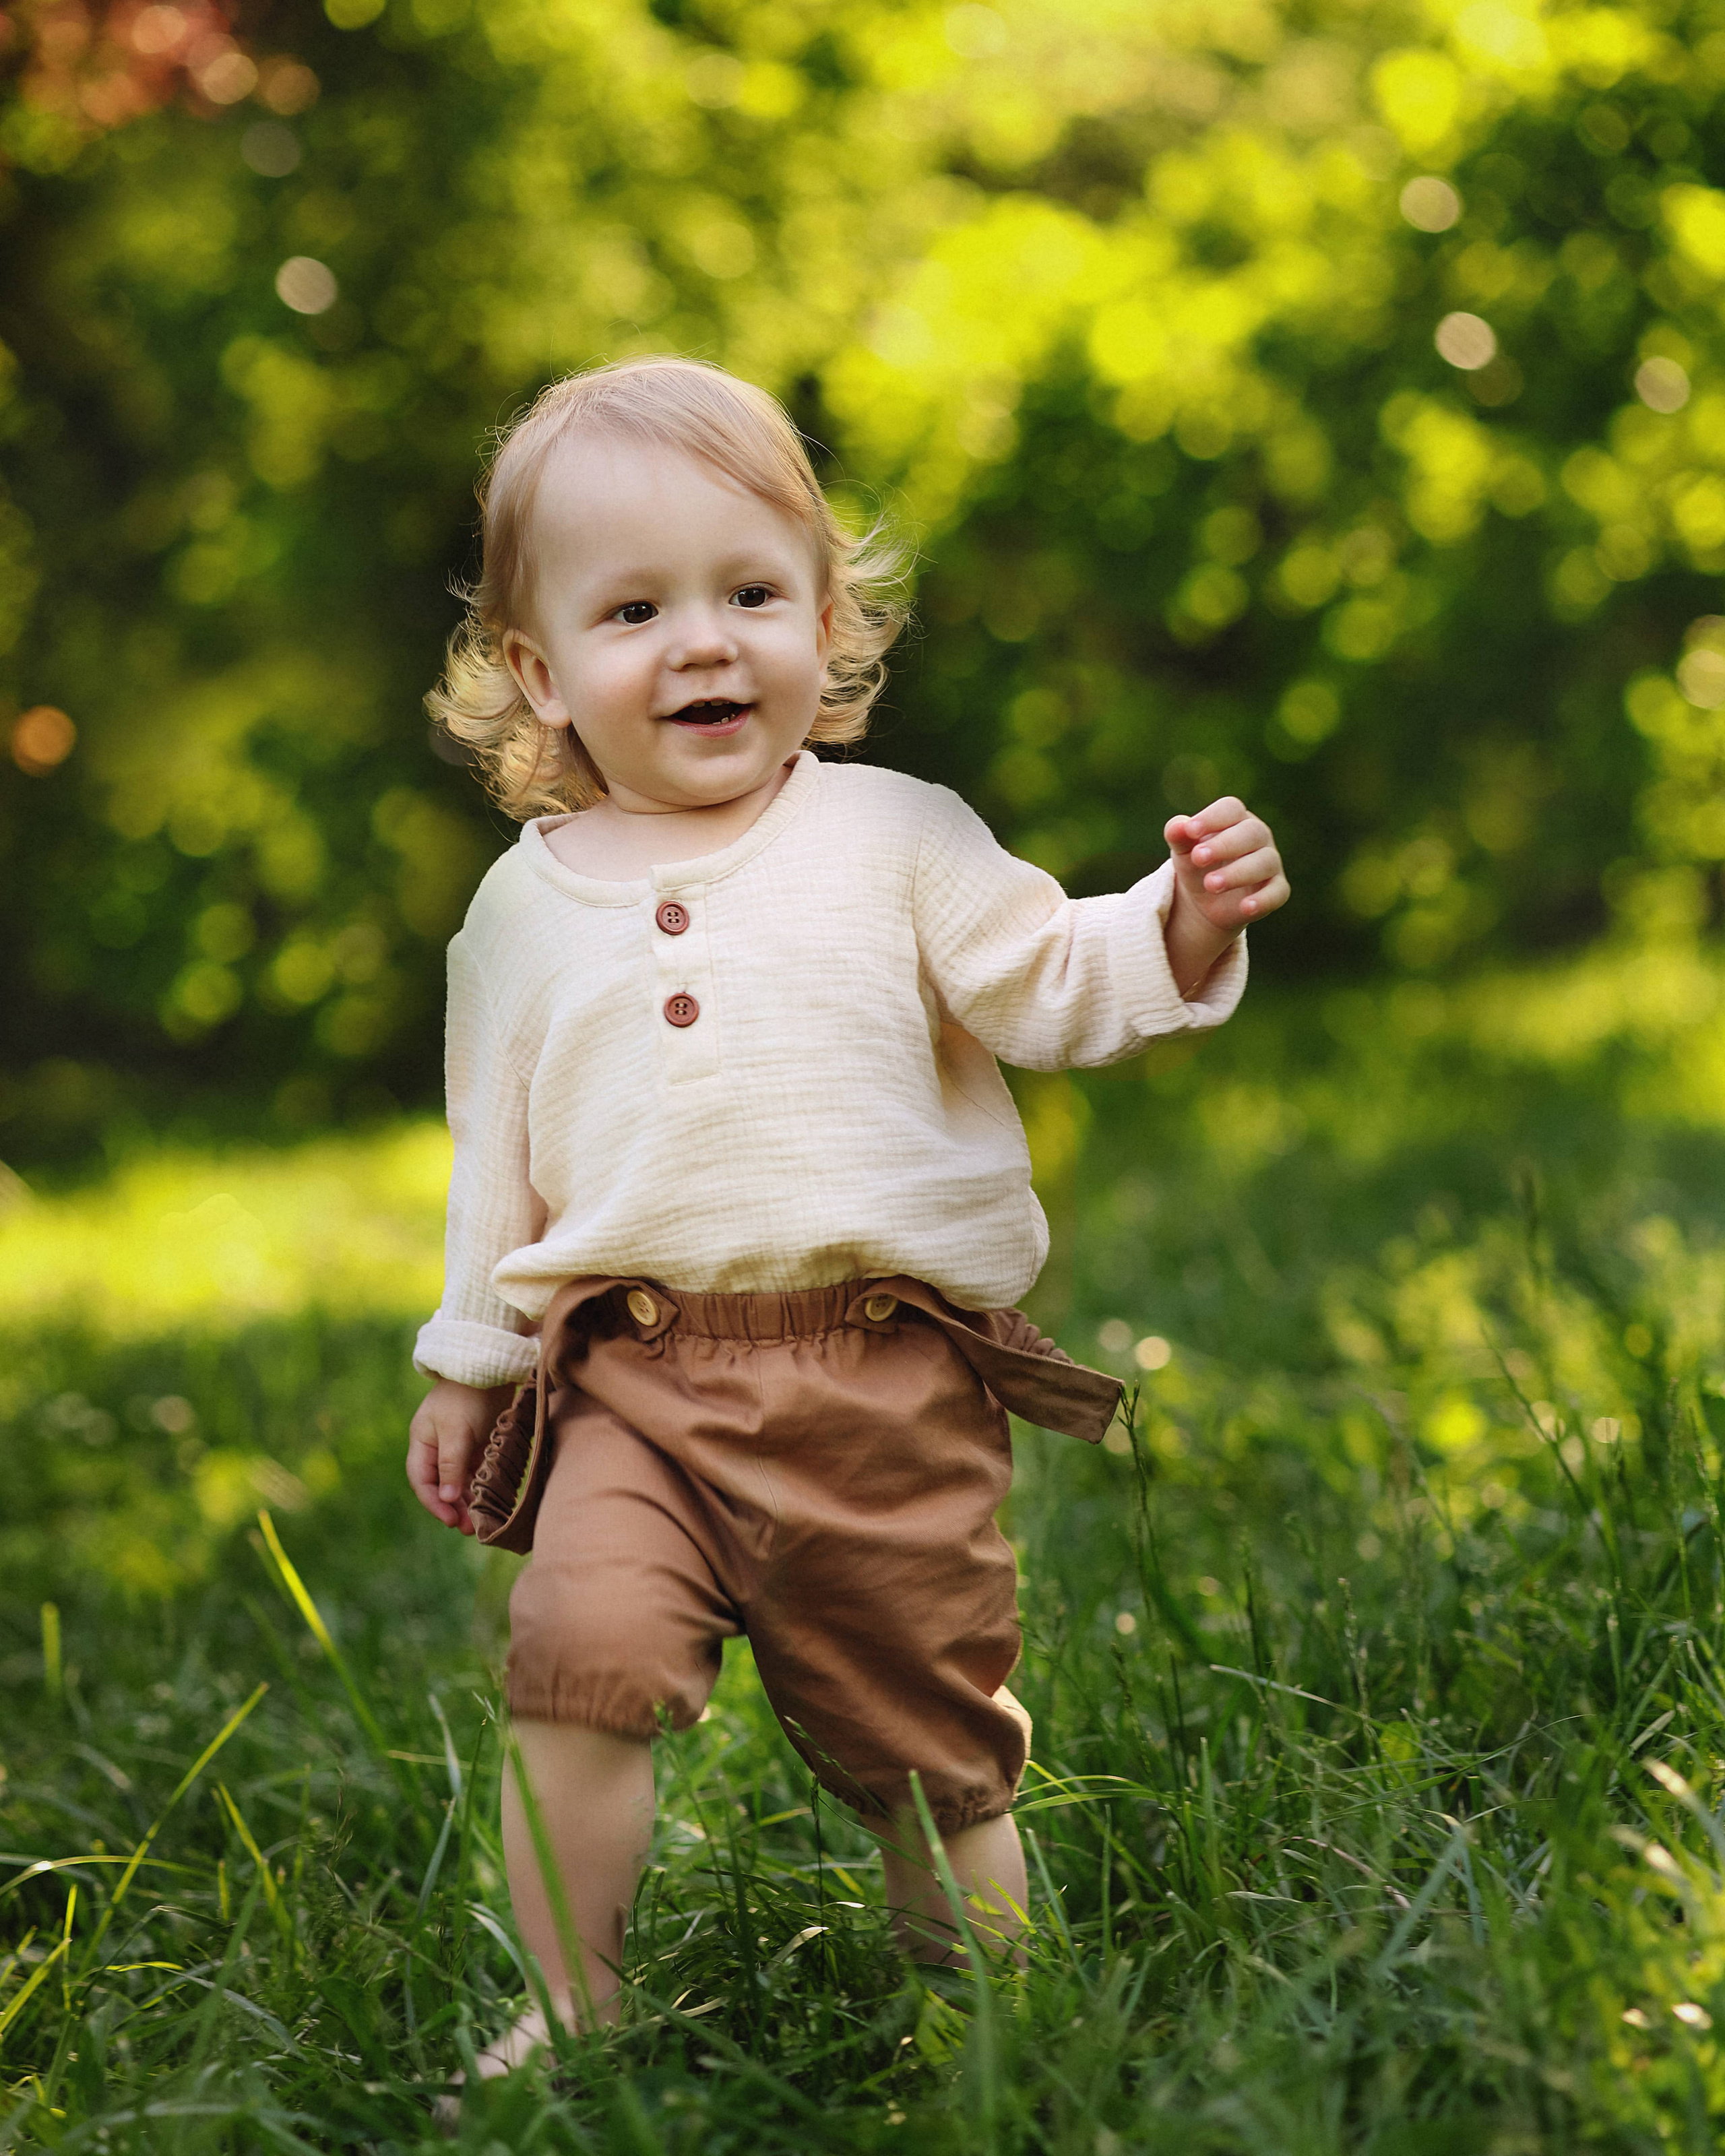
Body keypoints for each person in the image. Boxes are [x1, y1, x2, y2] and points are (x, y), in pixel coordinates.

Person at [404, 356, 1288, 2084]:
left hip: (877, 1376)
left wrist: (1172, 926)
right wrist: (474, 1361)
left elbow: (1051, 984)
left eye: (751, 591)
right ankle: (571, 1997)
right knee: (572, 1657)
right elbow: (490, 1166)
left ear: (827, 616)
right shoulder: (515, 916)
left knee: (921, 1723)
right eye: (634, 608)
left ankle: (986, 2006)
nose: (704, 641)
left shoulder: (895, 837)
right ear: (540, 670)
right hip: (631, 1381)